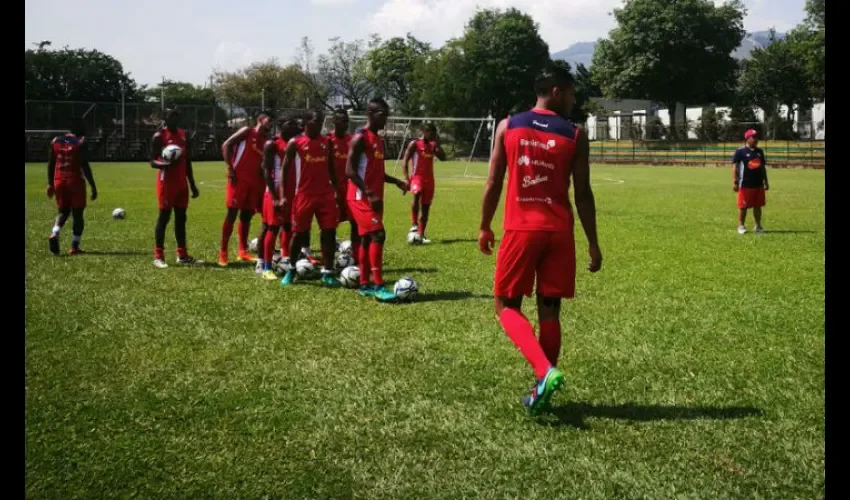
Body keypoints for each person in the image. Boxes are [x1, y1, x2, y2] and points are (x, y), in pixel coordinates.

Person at [478, 66, 602, 415]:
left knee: (505, 305)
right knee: (550, 309)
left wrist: (485, 225)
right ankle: (541, 388)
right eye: (572, 93)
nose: (574, 100)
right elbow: (583, 194)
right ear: (557, 91)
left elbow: (493, 182)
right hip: (559, 232)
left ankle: (544, 371)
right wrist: (593, 242)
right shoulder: (575, 135)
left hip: (522, 228)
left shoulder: (508, 126)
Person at [345, 97, 409, 302]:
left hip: (373, 198)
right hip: (360, 197)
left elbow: (377, 172)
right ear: (371, 113)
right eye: (383, 114)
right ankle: (379, 286)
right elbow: (349, 171)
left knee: (366, 239)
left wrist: (397, 182)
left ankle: (364, 284)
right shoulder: (360, 138)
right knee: (378, 235)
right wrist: (369, 193)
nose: (386, 119)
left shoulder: (378, 140)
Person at [279, 110, 343, 288]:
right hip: (304, 195)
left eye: (321, 121)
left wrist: (337, 191)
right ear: (306, 122)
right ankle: (291, 269)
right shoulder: (295, 143)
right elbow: (284, 169)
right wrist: (283, 196)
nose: (320, 124)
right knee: (299, 234)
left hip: (326, 195)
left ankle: (328, 272)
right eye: (316, 121)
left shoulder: (327, 142)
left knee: (329, 233)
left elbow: (331, 168)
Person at [219, 110, 274, 267]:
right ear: (260, 120)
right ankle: (223, 252)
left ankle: (242, 251)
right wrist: (230, 168)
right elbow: (226, 144)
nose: (271, 124)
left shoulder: (267, 141)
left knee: (247, 216)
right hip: (239, 179)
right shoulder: (247, 132)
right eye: (269, 120)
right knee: (232, 214)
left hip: (255, 182)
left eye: (272, 122)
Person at [150, 108, 201, 268]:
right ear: (165, 118)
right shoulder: (159, 136)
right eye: (171, 116)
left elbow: (187, 161)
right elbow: (152, 161)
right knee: (164, 218)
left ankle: (182, 255)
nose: (174, 119)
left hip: (181, 184)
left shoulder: (184, 135)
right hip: (166, 182)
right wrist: (167, 164)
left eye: (176, 116)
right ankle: (158, 256)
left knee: (181, 218)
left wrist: (192, 184)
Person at [47, 118, 97, 255]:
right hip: (75, 181)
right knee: (78, 214)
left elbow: (51, 163)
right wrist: (93, 186)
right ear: (78, 128)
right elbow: (85, 165)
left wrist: (50, 183)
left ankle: (55, 232)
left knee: (63, 212)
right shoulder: (81, 143)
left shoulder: (55, 141)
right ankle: (74, 247)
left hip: (59, 181)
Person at [258, 116, 301, 280]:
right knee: (272, 227)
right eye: (291, 124)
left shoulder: (295, 143)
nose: (294, 126)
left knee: (289, 227)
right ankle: (266, 267)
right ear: (281, 126)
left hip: (291, 192)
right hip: (275, 192)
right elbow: (265, 171)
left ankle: (285, 259)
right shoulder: (272, 144)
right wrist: (275, 197)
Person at [403, 122, 446, 243]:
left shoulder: (433, 145)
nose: (434, 135)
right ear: (425, 132)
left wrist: (438, 144)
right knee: (417, 194)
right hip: (417, 177)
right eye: (432, 133)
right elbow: (405, 162)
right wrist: (407, 179)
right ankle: (414, 224)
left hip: (429, 180)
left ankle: (421, 235)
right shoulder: (415, 144)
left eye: (435, 133)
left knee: (426, 207)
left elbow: (443, 158)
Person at [327, 107, 359, 260]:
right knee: (331, 224)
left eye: (346, 121)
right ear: (334, 121)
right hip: (333, 188)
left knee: (355, 221)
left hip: (350, 188)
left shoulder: (351, 140)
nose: (345, 124)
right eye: (342, 121)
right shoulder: (328, 140)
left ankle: (356, 252)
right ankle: (330, 253)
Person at [733, 129, 769, 234]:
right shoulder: (740, 151)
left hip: (758, 184)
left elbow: (762, 167)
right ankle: (741, 226)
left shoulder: (760, 152)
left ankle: (758, 226)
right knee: (743, 206)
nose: (756, 139)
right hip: (745, 184)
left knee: (758, 206)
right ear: (747, 138)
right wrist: (735, 181)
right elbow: (735, 167)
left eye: (757, 137)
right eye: (754, 137)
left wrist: (766, 181)